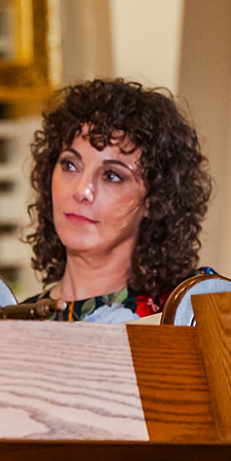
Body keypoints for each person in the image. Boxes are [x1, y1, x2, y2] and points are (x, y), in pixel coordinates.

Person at [21, 78, 211, 322]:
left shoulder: (185, 314)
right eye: (69, 164)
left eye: (111, 175)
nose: (82, 191)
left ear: (154, 199)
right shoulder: (11, 324)